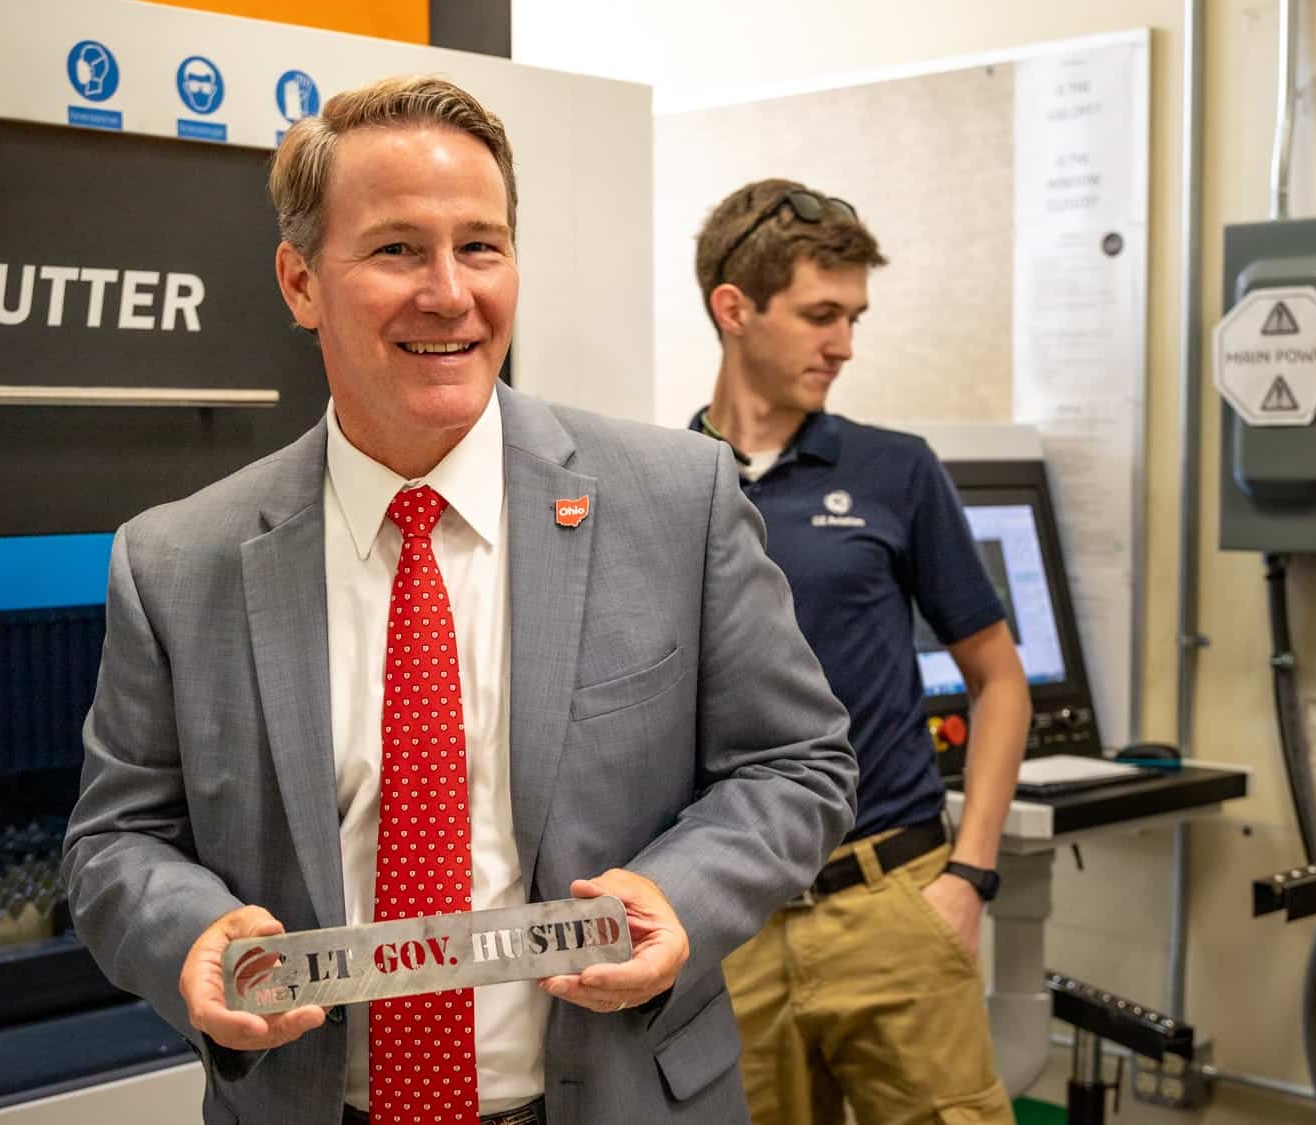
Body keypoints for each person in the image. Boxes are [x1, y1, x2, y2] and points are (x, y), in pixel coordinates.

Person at [64, 80, 857, 1125]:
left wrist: (680, 897)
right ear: (301, 283)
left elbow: (796, 764)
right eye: (396, 250)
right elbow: (113, 844)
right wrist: (192, 941)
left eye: (480, 247)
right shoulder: (179, 561)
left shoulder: (677, 502)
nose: (449, 294)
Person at [689, 179, 1032, 1125]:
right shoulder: (664, 480)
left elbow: (999, 680)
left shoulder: (896, 470)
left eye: (854, 317)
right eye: (820, 315)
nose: (843, 343)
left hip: (894, 903)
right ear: (735, 308)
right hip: (737, 923)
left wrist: (968, 877)